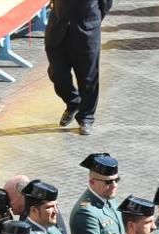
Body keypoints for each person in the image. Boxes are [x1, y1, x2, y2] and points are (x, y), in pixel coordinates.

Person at [45, 0, 111, 135]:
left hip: (86, 29)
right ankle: (73, 102)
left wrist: (93, 21)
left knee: (88, 77)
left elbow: (105, 3)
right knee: (57, 73)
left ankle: (86, 116)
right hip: (58, 27)